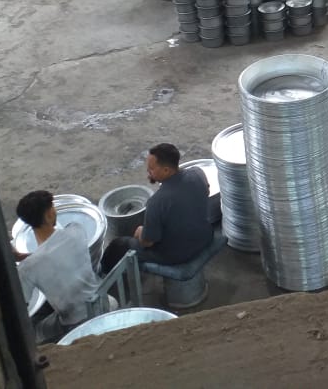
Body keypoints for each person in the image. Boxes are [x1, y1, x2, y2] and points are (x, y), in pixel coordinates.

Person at [100, 143, 214, 273]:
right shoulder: (197, 173)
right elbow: (206, 192)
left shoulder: (157, 201)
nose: (148, 172)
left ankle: (102, 275)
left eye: (151, 169)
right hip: (205, 236)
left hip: (179, 254)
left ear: (166, 170)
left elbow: (147, 242)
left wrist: (141, 232)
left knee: (118, 245)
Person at [15, 190, 103, 344]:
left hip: (74, 323)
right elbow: (55, 253)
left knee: (35, 330)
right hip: (101, 302)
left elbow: (21, 306)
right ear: (49, 214)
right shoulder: (76, 230)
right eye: (53, 207)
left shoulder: (28, 267)